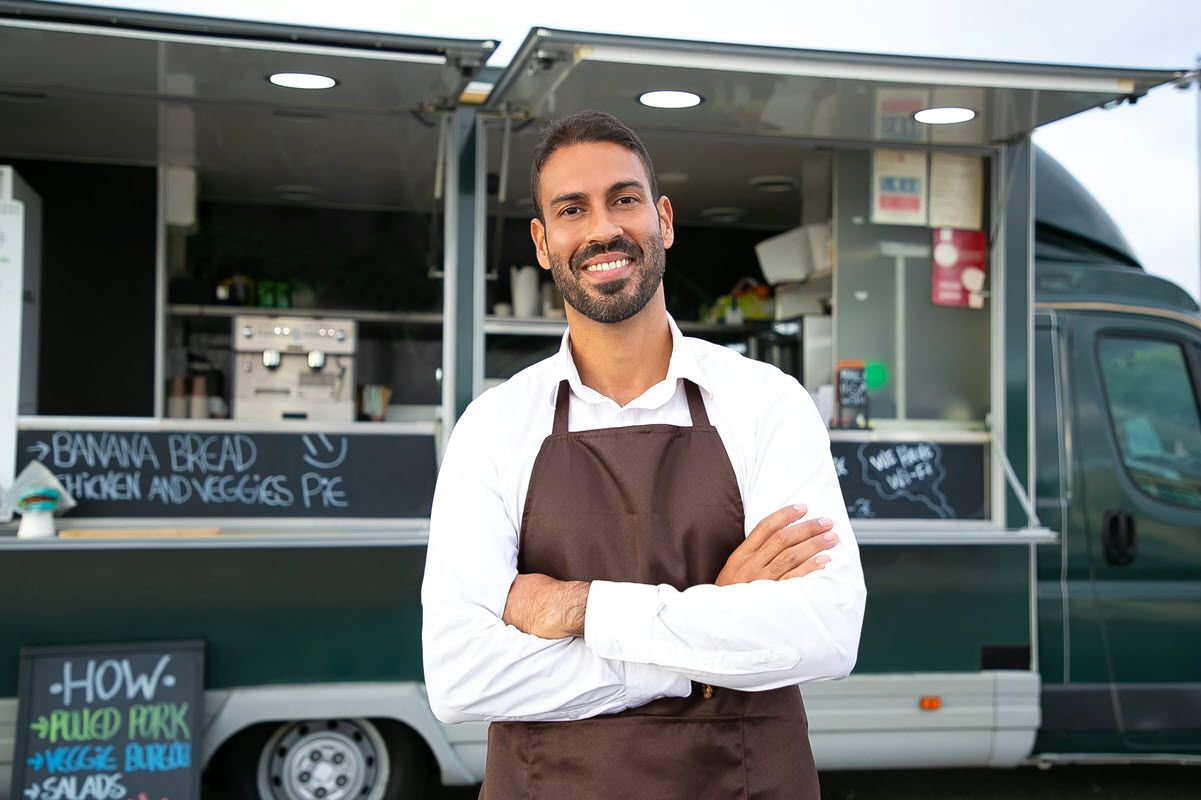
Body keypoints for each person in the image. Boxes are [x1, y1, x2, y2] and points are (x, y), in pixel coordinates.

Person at [421, 109, 866, 798]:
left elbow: (823, 631)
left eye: (623, 199)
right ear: (542, 242)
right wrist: (704, 639)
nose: (602, 229)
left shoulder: (764, 402)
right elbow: (459, 675)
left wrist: (580, 608)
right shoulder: (494, 426)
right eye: (572, 209)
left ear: (662, 218)